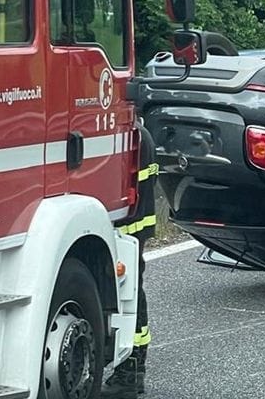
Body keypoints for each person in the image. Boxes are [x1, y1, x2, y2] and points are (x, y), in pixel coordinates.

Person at [103, 123, 158, 398]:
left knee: (129, 297)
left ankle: (131, 370)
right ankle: (131, 369)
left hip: (128, 231)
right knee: (130, 295)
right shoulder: (139, 135)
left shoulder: (133, 138)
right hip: (131, 230)